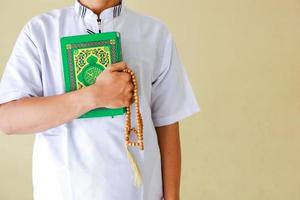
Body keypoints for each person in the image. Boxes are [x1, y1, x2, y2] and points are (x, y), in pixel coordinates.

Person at [0, 0, 200, 199]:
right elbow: (8, 119)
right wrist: (94, 96)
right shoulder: (40, 31)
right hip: (63, 191)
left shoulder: (155, 34)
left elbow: (167, 124)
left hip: (138, 192)